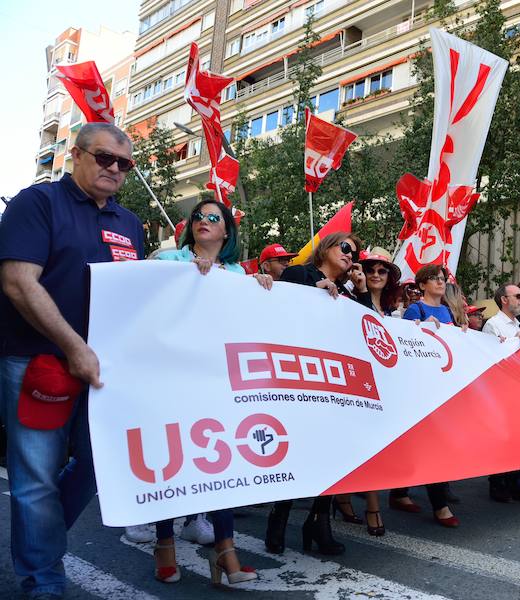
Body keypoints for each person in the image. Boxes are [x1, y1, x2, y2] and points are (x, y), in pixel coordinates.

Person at [0, 123, 145, 599]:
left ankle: (38, 538)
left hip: (103, 372)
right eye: (105, 158)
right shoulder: (37, 203)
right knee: (35, 480)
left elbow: (138, 298)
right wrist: (74, 347)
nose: (115, 170)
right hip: (38, 363)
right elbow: (20, 281)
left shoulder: (130, 223)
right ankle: (43, 579)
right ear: (76, 155)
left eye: (125, 164)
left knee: (99, 464)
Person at [152, 199, 270, 584]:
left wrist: (263, 290)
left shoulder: (238, 273)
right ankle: (164, 543)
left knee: (222, 461)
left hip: (219, 380)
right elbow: (146, 299)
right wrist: (187, 277)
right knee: (171, 459)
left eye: (213, 218)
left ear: (226, 231)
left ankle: (225, 552)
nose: (203, 221)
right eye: (198, 217)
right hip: (174, 375)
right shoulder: (170, 260)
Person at [266, 232, 365, 556]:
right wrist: (314, 290)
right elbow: (278, 309)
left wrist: (361, 290)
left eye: (355, 253)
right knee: (298, 449)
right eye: (345, 247)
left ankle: (320, 521)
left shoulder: (349, 293)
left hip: (336, 383)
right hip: (302, 377)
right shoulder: (300, 274)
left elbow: (368, 327)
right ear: (326, 247)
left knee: (332, 454)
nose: (351, 255)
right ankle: (279, 517)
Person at [391, 264, 459, 526]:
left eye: (442, 278)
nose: (440, 282)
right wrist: (419, 328)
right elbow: (407, 344)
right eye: (434, 279)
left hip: (443, 385)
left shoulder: (448, 311)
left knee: (418, 444)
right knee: (433, 444)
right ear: (421, 285)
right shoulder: (414, 310)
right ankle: (440, 506)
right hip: (421, 387)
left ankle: (398, 493)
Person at [354, 247, 404, 536]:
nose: (375, 275)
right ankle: (372, 507)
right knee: (367, 446)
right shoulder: (351, 299)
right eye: (370, 269)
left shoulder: (394, 312)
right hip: (360, 382)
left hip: (386, 385)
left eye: (381, 270)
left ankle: (345, 500)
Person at [481, 284, 520, 503]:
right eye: (517, 296)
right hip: (503, 391)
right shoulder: (493, 325)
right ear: (504, 300)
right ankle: (498, 483)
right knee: (503, 439)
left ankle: (519, 482)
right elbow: (489, 358)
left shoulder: (518, 323)